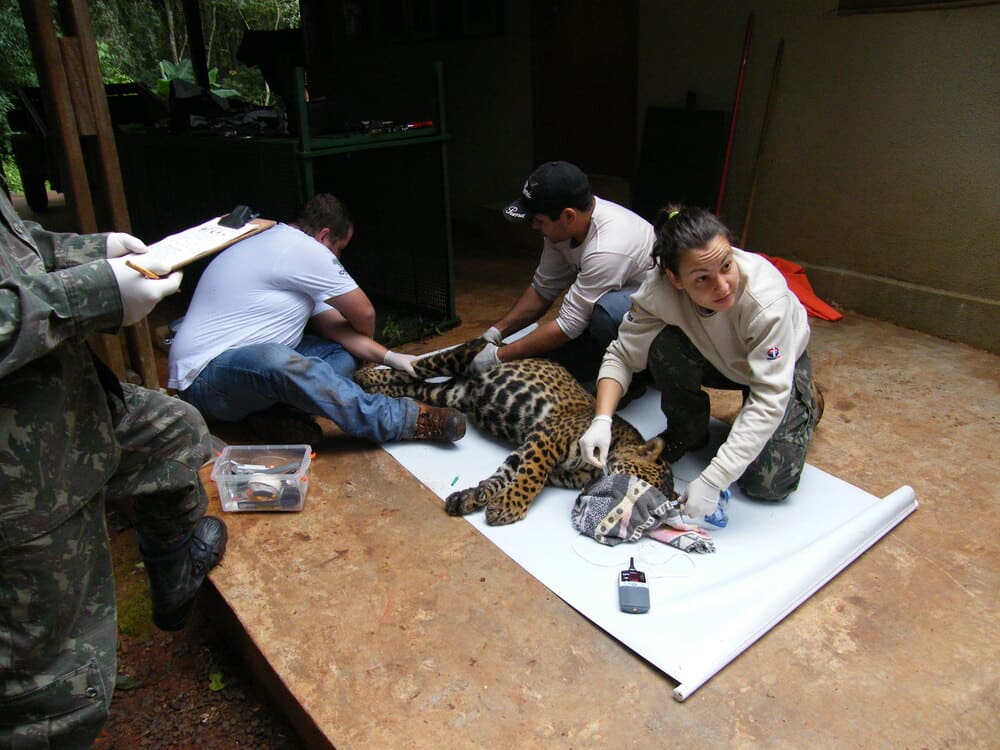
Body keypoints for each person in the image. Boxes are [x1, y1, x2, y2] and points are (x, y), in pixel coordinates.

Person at [0, 182, 227, 746]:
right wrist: (91, 293)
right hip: (20, 477)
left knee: (175, 433)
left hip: (68, 403)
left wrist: (89, 252)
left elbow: (18, 245)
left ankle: (173, 580)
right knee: (52, 690)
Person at [579, 204, 823, 520]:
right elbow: (622, 355)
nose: (722, 286)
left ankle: (806, 400)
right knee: (663, 343)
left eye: (726, 266)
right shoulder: (658, 293)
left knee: (769, 485)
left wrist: (714, 478)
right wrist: (602, 420)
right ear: (675, 280)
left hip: (771, 369)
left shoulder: (766, 301)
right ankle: (688, 430)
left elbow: (767, 401)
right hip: (716, 355)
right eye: (702, 278)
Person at [168, 193, 466, 445]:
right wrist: (367, 363)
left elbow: (335, 329)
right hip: (205, 378)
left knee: (338, 354)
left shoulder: (284, 250)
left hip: (248, 375)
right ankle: (402, 418)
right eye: (339, 249)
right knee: (279, 360)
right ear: (324, 236)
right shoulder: (303, 248)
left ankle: (275, 416)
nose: (338, 258)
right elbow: (364, 313)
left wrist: (390, 357)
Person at [470, 161, 656, 384]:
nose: (534, 227)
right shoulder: (562, 230)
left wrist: (498, 357)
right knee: (557, 358)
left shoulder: (607, 247)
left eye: (539, 221)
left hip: (655, 318)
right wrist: (495, 332)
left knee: (604, 313)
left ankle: (636, 378)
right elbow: (542, 289)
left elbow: (569, 325)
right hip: (617, 300)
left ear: (568, 216)